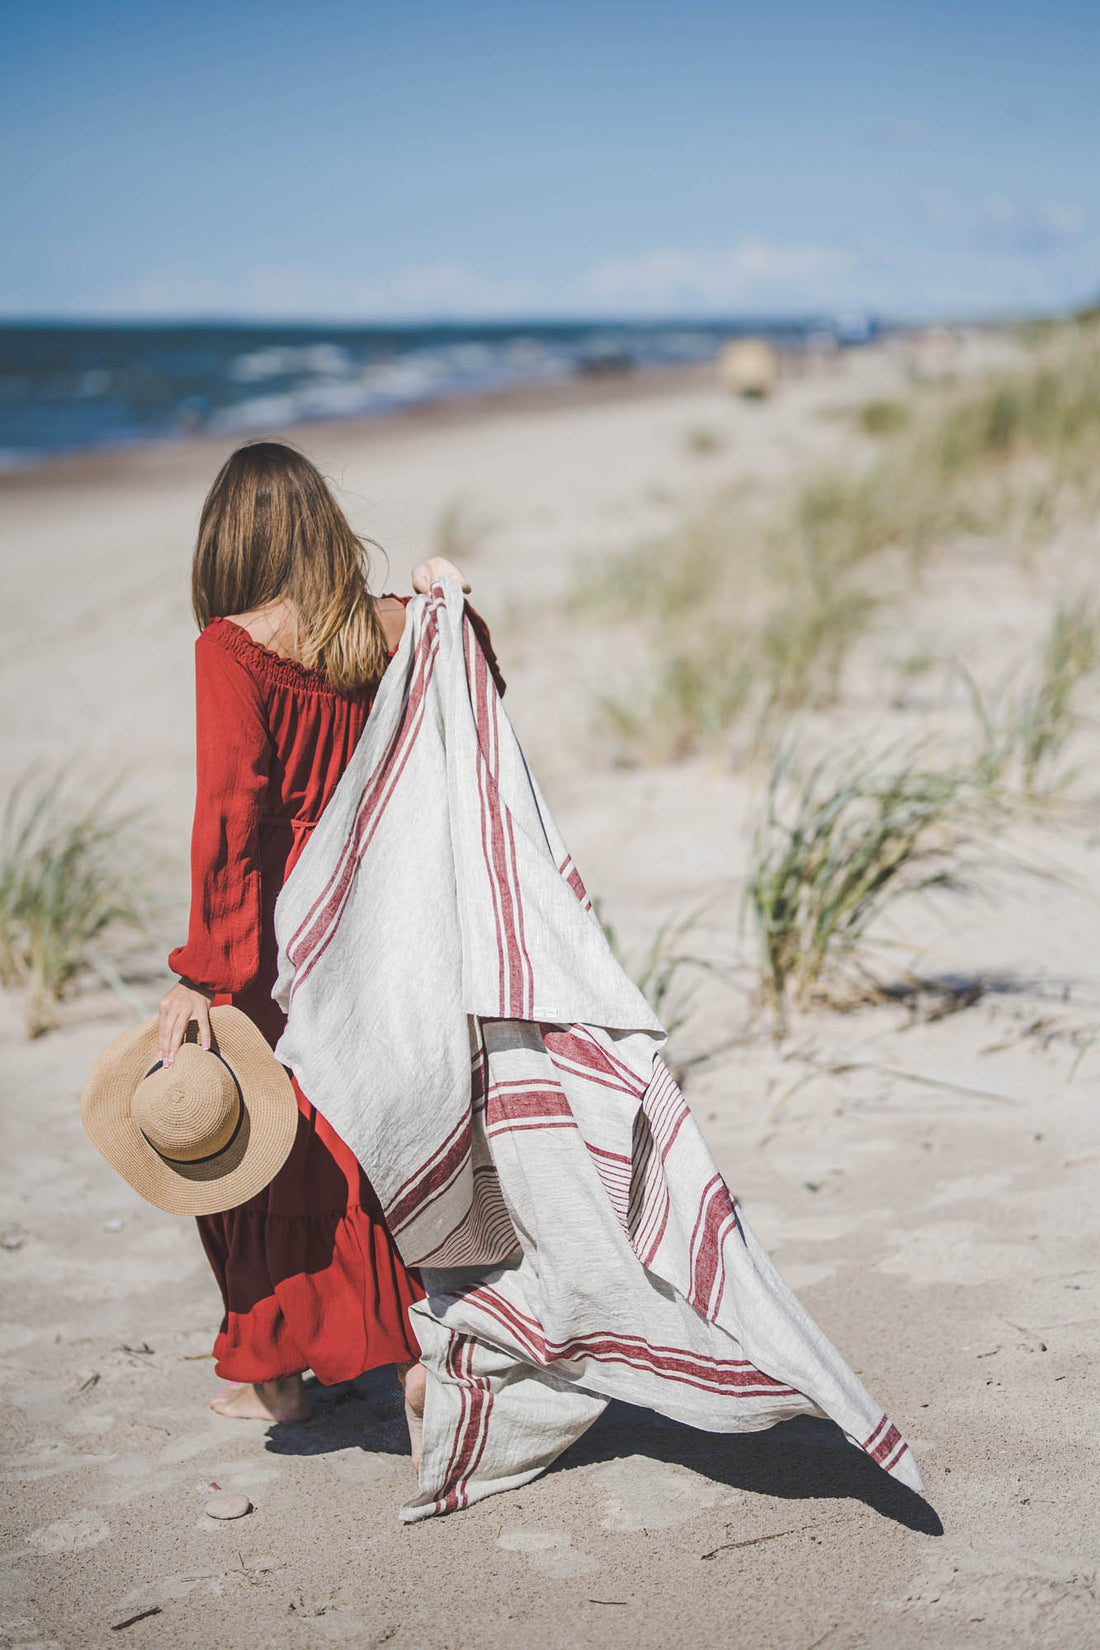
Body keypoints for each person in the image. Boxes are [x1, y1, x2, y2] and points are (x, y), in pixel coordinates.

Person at [156, 439, 498, 1459]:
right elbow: (477, 678)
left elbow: (230, 814)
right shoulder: (380, 630)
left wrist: (203, 976)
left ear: (230, 539)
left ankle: (276, 1383)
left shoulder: (229, 647)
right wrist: (444, 596)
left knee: (261, 1144)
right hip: (370, 910)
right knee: (363, 1134)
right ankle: (411, 1363)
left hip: (273, 928)